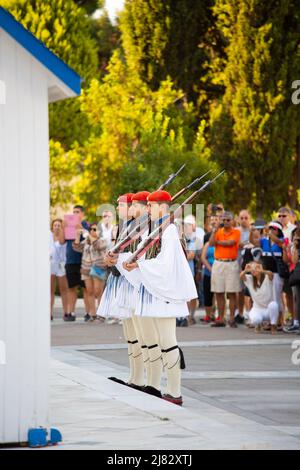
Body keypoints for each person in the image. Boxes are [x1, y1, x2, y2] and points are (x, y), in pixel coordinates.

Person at [123, 190, 198, 406]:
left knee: (167, 340)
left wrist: (139, 264)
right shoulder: (155, 229)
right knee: (156, 340)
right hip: (153, 290)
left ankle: (174, 391)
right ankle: (158, 386)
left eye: (151, 206)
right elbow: (143, 254)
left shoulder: (170, 231)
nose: (148, 209)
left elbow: (165, 264)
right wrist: (131, 262)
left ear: (162, 207)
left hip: (164, 292)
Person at [209, 211, 241, 327]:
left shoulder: (236, 232)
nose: (226, 222)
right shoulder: (218, 231)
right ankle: (221, 318)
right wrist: (214, 231)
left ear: (232, 221)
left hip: (231, 263)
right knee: (218, 292)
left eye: (228, 220)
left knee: (232, 292)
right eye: (224, 220)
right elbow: (211, 243)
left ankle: (231, 318)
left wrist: (219, 242)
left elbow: (230, 243)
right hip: (219, 263)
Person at [60, 205, 90, 322]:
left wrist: (79, 227)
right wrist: (63, 228)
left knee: (86, 288)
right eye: (73, 212)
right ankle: (70, 313)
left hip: (84, 261)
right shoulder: (68, 227)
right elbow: (62, 241)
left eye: (77, 212)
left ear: (82, 214)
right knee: (71, 287)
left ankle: (89, 312)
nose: (75, 214)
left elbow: (89, 239)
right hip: (71, 261)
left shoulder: (87, 225)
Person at [72, 223, 107, 322]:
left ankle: (101, 314)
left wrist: (88, 236)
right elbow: (76, 248)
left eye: (95, 229)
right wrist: (78, 235)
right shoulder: (86, 242)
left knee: (98, 291)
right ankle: (93, 314)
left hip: (98, 269)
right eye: (91, 229)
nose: (92, 231)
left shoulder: (103, 241)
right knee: (89, 291)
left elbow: (97, 246)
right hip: (86, 269)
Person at [240, 261, 279, 334]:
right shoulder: (250, 279)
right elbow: (241, 276)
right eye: (252, 268)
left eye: (256, 267)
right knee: (255, 319)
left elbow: (271, 274)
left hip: (268, 309)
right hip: (257, 309)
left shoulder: (267, 277)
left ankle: (273, 325)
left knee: (274, 305)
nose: (254, 270)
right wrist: (245, 270)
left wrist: (262, 271)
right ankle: (258, 325)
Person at [50, 219, 68, 321]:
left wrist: (62, 229)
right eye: (55, 225)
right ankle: (49, 313)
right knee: (50, 290)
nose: (57, 227)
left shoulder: (63, 236)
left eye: (59, 225)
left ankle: (66, 312)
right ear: (52, 226)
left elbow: (61, 242)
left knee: (63, 289)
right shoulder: (48, 237)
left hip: (62, 265)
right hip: (52, 264)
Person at [236, 210, 251, 324]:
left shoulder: (253, 230)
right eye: (242, 218)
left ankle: (249, 313)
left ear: (249, 218)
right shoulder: (236, 231)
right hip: (237, 263)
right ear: (238, 219)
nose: (244, 220)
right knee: (239, 290)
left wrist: (243, 243)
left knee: (250, 289)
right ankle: (239, 313)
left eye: (246, 218)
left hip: (250, 264)